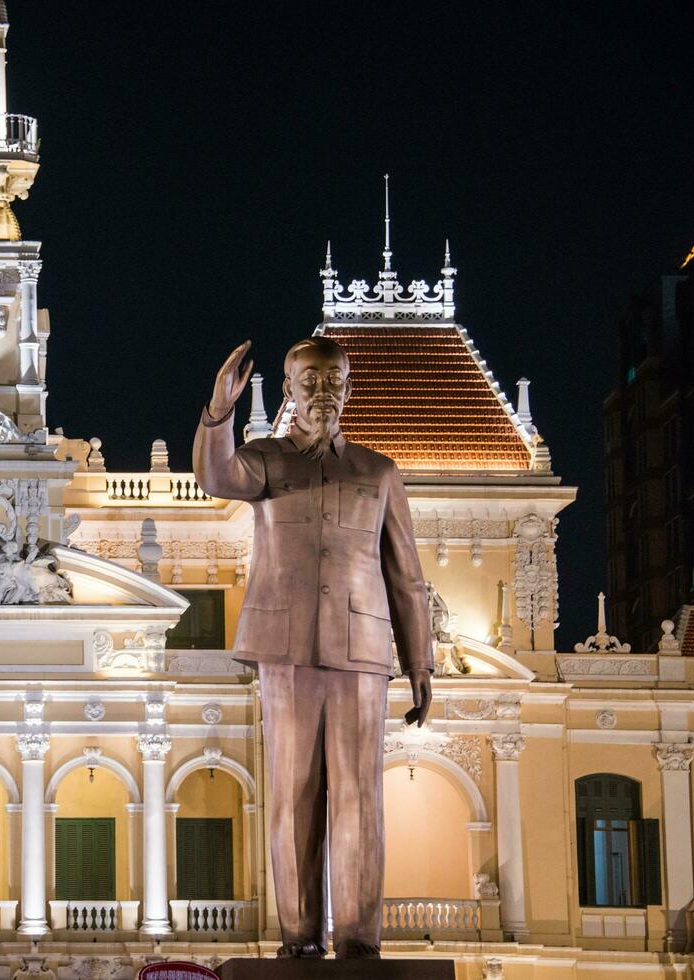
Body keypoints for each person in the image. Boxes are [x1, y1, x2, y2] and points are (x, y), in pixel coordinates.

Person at [193, 337, 433, 960]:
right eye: (309, 381)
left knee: (359, 796)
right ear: (290, 388)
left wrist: (421, 664)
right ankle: (298, 938)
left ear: (349, 390)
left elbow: (406, 576)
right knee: (294, 795)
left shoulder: (378, 473)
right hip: (287, 647)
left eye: (333, 381)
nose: (322, 392)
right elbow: (214, 476)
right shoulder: (266, 461)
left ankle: (358, 940)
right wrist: (219, 411)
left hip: (361, 648)